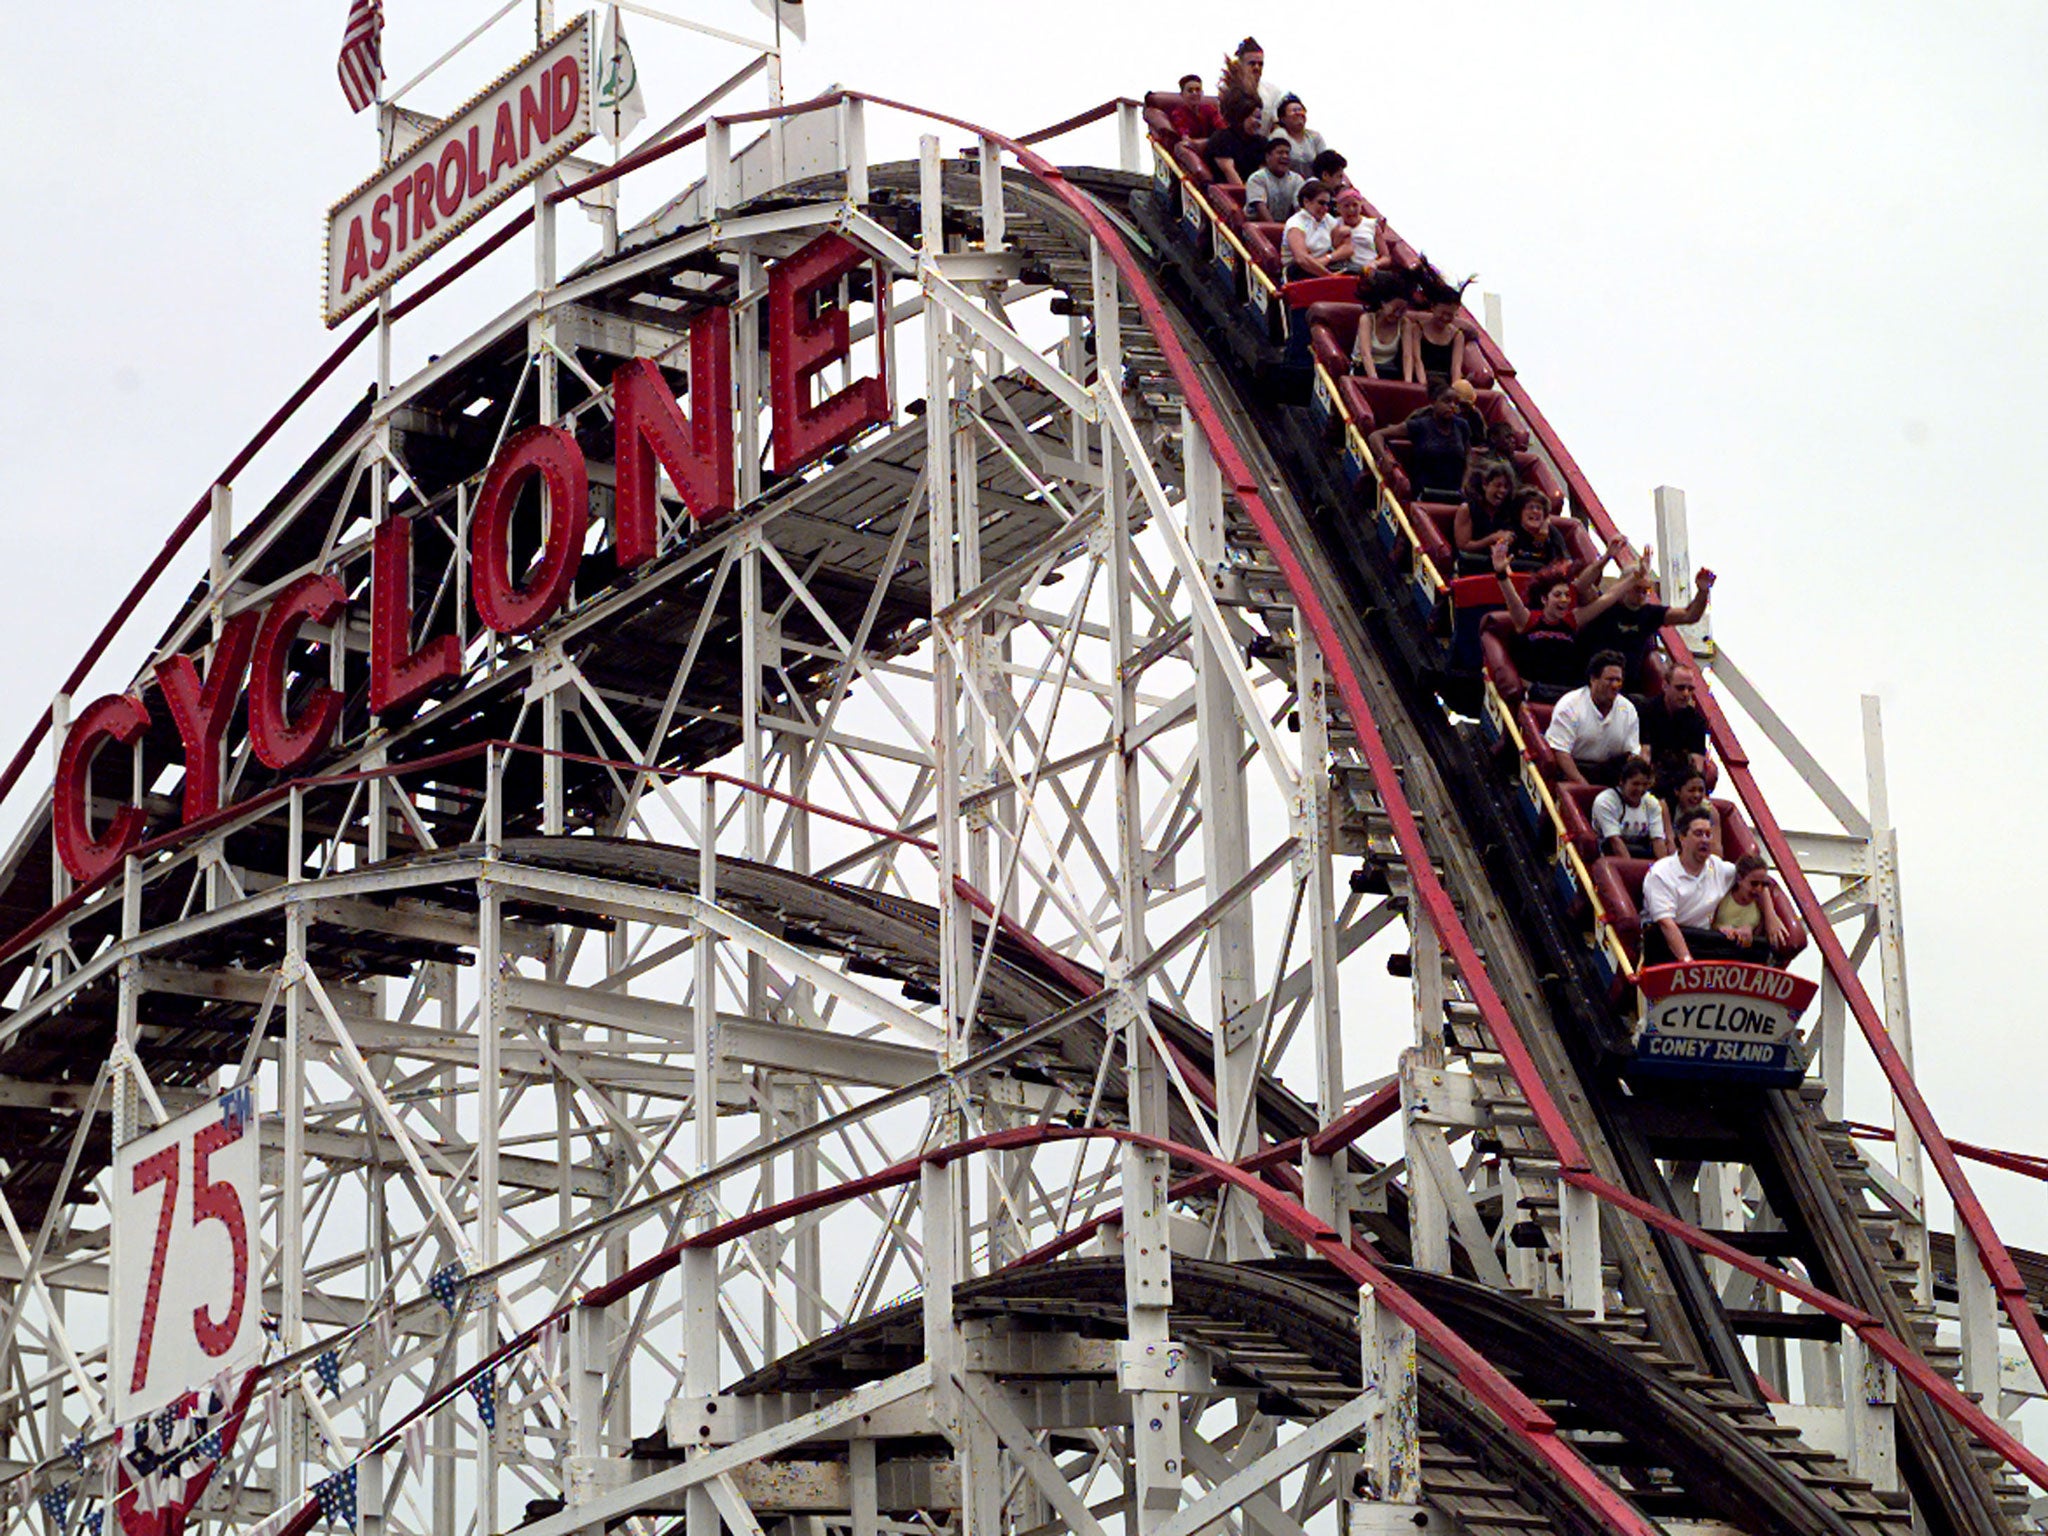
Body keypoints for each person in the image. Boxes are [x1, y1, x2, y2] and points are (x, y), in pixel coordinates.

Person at [1493, 547, 1646, 702]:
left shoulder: (1572, 620)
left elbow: (1608, 598)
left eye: (1567, 595)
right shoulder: (1528, 619)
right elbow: (1511, 599)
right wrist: (1501, 574)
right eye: (1558, 595)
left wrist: (1635, 577)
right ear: (1544, 599)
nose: (1564, 600)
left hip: (1569, 692)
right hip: (1537, 690)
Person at [1642, 808, 1761, 964]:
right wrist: (1687, 962)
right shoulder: (1661, 873)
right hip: (1661, 941)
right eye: (1698, 834)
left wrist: (1768, 921)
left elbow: (1757, 877)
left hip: (1702, 941)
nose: (1705, 840)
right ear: (1682, 838)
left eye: (1708, 834)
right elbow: (1666, 924)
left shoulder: (1719, 867)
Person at [1577, 552, 1716, 685]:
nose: (1642, 594)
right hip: (1592, 681)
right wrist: (1606, 558)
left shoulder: (1650, 613)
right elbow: (1582, 587)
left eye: (1647, 590)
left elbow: (1690, 615)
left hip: (1627, 686)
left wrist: (1702, 591)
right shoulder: (1603, 605)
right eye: (1638, 588)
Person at [1542, 650, 1640, 785]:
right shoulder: (1570, 705)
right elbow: (1561, 752)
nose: (1615, 685)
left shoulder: (1628, 709)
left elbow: (1632, 755)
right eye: (1610, 680)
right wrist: (1584, 787)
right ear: (1593, 679)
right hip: (1574, 770)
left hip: (1610, 774)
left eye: (1618, 680)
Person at [1369, 383, 1472, 500]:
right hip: (1424, 493)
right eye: (1447, 401)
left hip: (1455, 493)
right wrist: (1384, 457)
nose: (1452, 406)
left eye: (1456, 403)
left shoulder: (1462, 426)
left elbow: (1468, 457)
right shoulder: (1420, 425)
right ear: (1433, 402)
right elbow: (1375, 435)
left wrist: (1466, 483)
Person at [1640, 665, 1713, 784]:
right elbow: (1644, 756)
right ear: (1665, 686)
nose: (1686, 693)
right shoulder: (1646, 710)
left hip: (1680, 781)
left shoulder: (1697, 721)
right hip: (1650, 776)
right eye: (1680, 688)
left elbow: (1697, 765)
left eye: (1690, 689)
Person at [1712, 852, 1791, 958]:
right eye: (1754, 884)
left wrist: (1751, 932)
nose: (1758, 889)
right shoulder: (1723, 896)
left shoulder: (1760, 904)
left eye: (1763, 884)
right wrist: (1720, 929)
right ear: (1740, 879)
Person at [1590, 756, 1670, 859]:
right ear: (1622, 782)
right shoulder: (1605, 801)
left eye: (1645, 784)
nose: (1640, 789)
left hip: (1642, 852)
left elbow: (1658, 840)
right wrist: (1631, 870)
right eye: (1635, 784)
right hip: (1610, 854)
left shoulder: (1652, 803)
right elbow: (1615, 841)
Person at [1406, 268, 1474, 387]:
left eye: (1450, 315)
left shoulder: (1457, 335)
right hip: (1420, 380)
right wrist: (1424, 386)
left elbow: (1455, 368)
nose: (1445, 318)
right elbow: (1417, 360)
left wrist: (1454, 388)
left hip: (1444, 384)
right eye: (1443, 313)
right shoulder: (1417, 329)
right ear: (1433, 307)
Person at [1455, 460, 1517, 573]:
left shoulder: (1509, 509)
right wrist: (1492, 538)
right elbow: (1463, 545)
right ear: (1485, 485)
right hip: (1471, 565)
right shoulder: (1467, 509)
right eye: (1498, 485)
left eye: (1506, 487)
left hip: (1501, 566)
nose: (1502, 491)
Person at [1351, 268, 1411, 378]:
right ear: (1383, 303)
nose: (1397, 315)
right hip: (1362, 369)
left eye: (1402, 311)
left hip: (1388, 371)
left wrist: (1408, 384)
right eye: (1395, 309)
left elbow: (1407, 356)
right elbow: (1365, 354)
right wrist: (1375, 382)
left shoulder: (1404, 324)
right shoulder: (1367, 319)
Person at [1659, 761, 1723, 857]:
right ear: (1677, 791)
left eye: (1701, 790)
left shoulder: (1711, 811)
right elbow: (1670, 842)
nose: (1697, 795)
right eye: (1691, 790)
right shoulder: (1666, 807)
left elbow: (1716, 849)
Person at [1281, 181, 1340, 280]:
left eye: (1328, 204)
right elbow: (1302, 259)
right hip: (1299, 271)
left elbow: (1347, 246)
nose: (1325, 208)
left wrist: (1328, 258)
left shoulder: (1328, 218)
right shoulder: (1295, 223)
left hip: (1323, 266)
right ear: (1306, 202)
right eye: (1321, 203)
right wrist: (1330, 277)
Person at [1204, 97, 1269, 187]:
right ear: (1241, 117)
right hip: (1227, 192)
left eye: (1260, 118)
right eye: (1255, 117)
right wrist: (1246, 194)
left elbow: (1262, 174)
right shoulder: (1222, 138)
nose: (1259, 123)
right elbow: (1229, 170)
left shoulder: (1261, 142)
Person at [1223, 37, 1285, 133]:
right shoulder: (1227, 89)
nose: (1257, 67)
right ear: (1241, 64)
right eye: (1252, 63)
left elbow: (1277, 125)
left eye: (1260, 64)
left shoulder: (1273, 91)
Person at [1244, 137, 1304, 221]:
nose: (1285, 156)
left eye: (1287, 153)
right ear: (1268, 157)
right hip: (1257, 226)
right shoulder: (1257, 178)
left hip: (1285, 227)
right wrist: (1275, 231)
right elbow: (1261, 208)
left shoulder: (1297, 179)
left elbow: (1299, 208)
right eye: (1280, 153)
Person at [1332, 189, 1386, 274]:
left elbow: (1386, 257)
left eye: (1355, 205)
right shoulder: (1334, 224)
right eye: (1346, 206)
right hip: (1345, 270)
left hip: (1369, 269)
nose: (1351, 209)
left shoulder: (1371, 224)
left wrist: (1375, 263)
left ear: (1361, 206)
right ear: (1339, 208)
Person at [1273, 94, 1329, 173]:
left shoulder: (1315, 136)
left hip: (1313, 183)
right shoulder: (1279, 135)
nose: (1299, 113)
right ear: (1283, 118)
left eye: (1301, 110)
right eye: (1294, 110)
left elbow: (1327, 163)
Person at [1167, 73, 1225, 142]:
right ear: (1182, 95)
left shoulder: (1209, 109)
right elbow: (1186, 138)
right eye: (1190, 91)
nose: (1194, 93)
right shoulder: (1178, 114)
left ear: (1202, 93)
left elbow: (1222, 128)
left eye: (1198, 90)